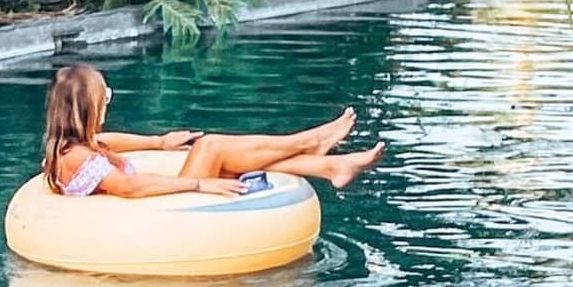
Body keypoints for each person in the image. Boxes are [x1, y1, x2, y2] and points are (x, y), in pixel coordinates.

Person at [42, 63, 385, 198]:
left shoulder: (84, 146)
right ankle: (311, 140)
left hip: (153, 210)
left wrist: (159, 142)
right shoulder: (76, 159)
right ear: (89, 107)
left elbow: (110, 140)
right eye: (105, 99)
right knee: (211, 148)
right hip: (150, 222)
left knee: (231, 158)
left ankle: (330, 166)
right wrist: (200, 182)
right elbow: (129, 187)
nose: (108, 105)